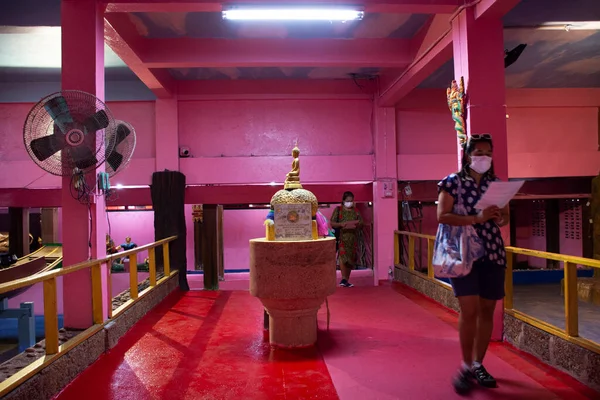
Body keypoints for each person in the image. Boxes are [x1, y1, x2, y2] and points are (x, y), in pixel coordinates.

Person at [436, 134, 509, 395]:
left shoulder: (497, 185)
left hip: (492, 252)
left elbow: (504, 219)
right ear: (468, 155)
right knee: (469, 309)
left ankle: (479, 363)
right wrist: (477, 218)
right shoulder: (452, 183)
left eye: (488, 153)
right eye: (479, 152)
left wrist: (498, 217)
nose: (484, 158)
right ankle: (466, 366)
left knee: (488, 309)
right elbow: (442, 216)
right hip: (462, 253)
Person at [330, 191, 363, 288]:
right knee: (343, 258)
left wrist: (357, 224)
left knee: (350, 259)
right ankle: (343, 278)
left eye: (351, 201)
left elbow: (361, 223)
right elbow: (332, 223)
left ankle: (346, 279)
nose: (350, 202)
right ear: (343, 200)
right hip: (342, 238)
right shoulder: (338, 210)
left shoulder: (356, 211)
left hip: (353, 239)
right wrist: (341, 224)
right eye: (347, 201)